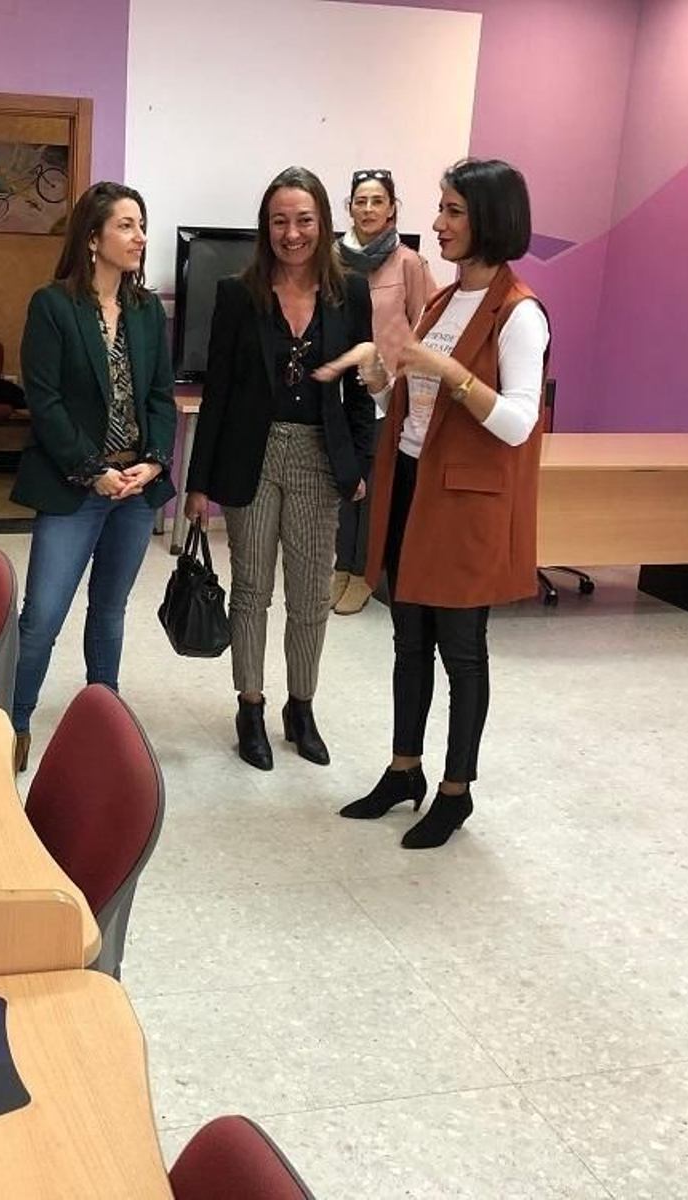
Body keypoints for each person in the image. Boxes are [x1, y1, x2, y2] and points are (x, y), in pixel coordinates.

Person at [316, 158, 550, 849]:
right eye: (441, 209)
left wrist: (448, 372)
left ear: (490, 220)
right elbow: (409, 403)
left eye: (452, 211)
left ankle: (456, 791)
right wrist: (380, 377)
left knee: (463, 651)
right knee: (407, 641)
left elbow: (517, 422)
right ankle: (404, 770)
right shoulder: (446, 301)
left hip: (467, 502)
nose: (439, 224)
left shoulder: (520, 314)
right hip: (415, 484)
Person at [185, 166, 376, 772]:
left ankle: (301, 705)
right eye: (279, 221)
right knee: (251, 590)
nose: (292, 233)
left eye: (304, 220)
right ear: (265, 228)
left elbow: (360, 388)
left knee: (310, 594)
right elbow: (217, 393)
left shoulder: (353, 293)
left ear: (323, 222)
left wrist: (361, 462)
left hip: (321, 457)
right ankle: (251, 705)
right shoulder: (237, 294)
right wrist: (198, 483)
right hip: (253, 455)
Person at [9, 181, 176, 772]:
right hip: (75, 487)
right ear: (92, 237)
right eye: (127, 225)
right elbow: (45, 402)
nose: (140, 237)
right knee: (42, 617)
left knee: (109, 611)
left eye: (141, 225)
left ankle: (104, 725)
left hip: (134, 488)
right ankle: (15, 722)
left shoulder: (146, 309)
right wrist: (94, 471)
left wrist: (153, 460)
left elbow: (161, 394)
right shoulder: (52, 305)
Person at [331, 168, 437, 615]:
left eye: (377, 201)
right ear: (349, 207)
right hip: (340, 390)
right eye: (361, 201)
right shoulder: (331, 258)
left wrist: (401, 378)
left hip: (383, 396)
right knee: (344, 482)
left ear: (392, 208)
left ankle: (364, 573)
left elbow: (427, 324)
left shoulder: (408, 262)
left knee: (373, 488)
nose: (368, 209)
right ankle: (340, 567)